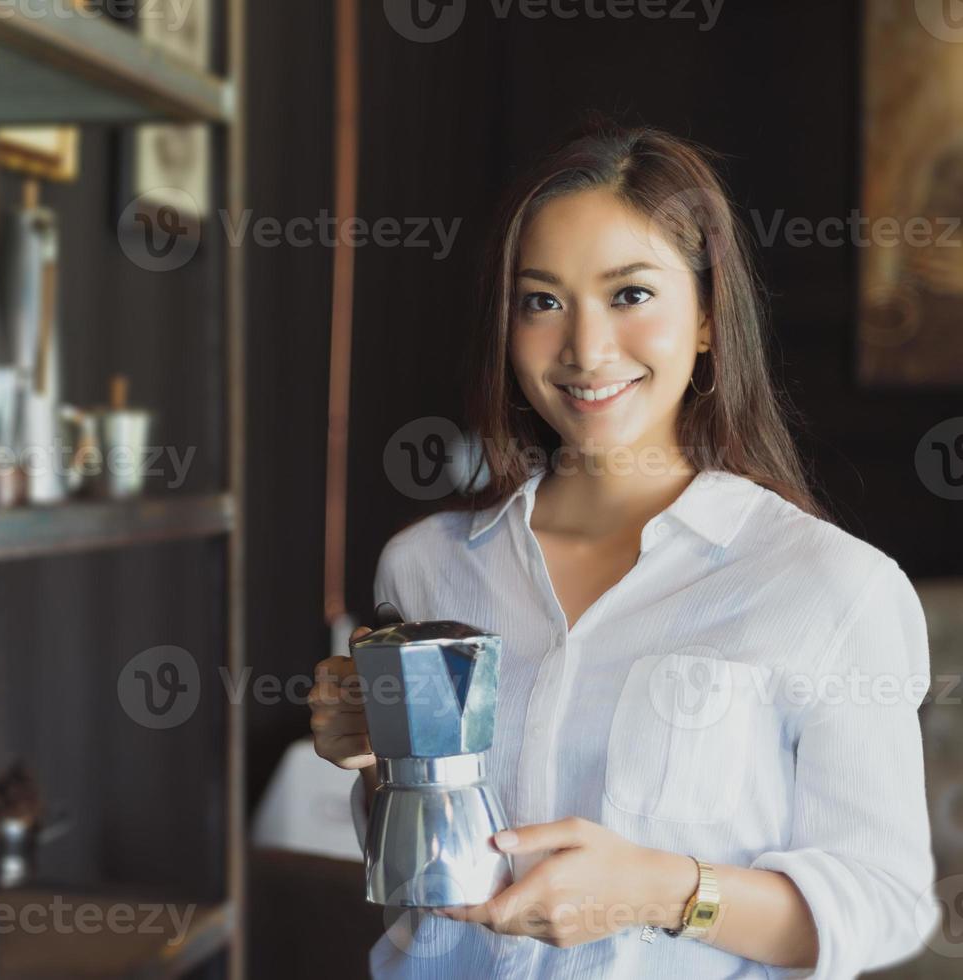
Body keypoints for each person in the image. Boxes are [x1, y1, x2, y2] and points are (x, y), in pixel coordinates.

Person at [308, 122, 939, 978]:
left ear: (709, 318)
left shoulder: (832, 586)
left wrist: (661, 893)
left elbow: (885, 904)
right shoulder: (425, 564)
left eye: (630, 294)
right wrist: (374, 759)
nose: (585, 348)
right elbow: (425, 873)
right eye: (542, 300)